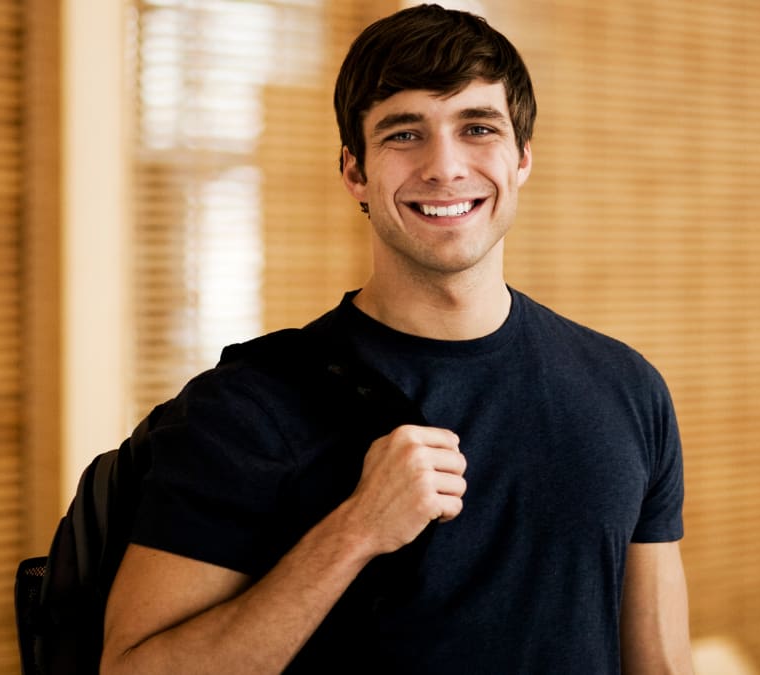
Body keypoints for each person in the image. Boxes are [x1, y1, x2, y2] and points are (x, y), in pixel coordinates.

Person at [100, 4, 692, 674]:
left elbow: (661, 664)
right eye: (404, 134)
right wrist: (355, 530)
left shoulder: (627, 388)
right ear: (354, 171)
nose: (444, 166)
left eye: (477, 128)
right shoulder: (245, 409)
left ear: (522, 158)